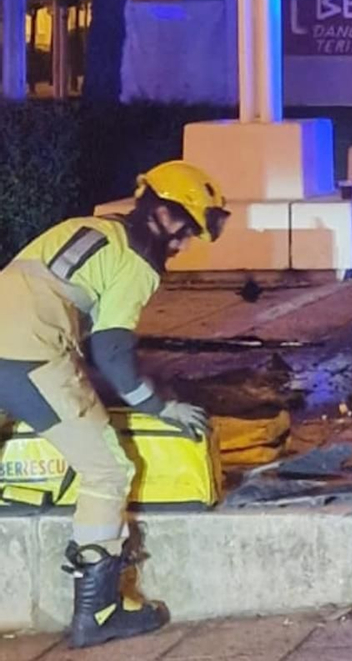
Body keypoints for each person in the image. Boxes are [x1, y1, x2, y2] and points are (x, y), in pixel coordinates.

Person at [0, 161, 223, 648]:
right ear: (163, 216)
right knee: (107, 470)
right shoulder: (137, 262)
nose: (183, 247)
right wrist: (159, 407)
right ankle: (98, 612)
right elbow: (112, 351)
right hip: (28, 352)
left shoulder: (88, 226)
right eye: (185, 232)